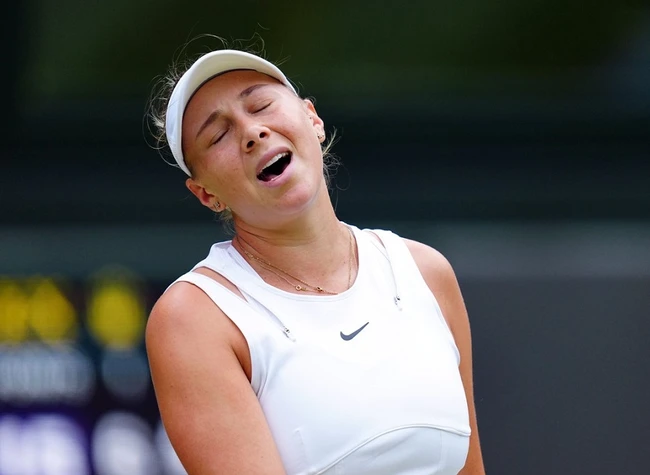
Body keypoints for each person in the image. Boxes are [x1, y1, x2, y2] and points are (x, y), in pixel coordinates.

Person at [145, 42, 486, 475]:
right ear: (206, 194)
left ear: (313, 118)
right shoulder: (193, 317)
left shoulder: (425, 271)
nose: (252, 132)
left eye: (261, 105)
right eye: (218, 136)